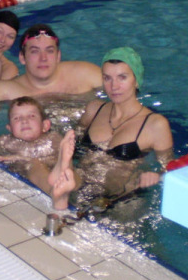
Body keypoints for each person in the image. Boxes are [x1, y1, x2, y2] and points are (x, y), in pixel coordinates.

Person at [48, 47, 174, 208]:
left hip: (122, 200)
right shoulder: (94, 109)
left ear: (136, 80)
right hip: (80, 188)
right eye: (107, 78)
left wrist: (156, 176)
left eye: (122, 77)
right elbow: (73, 147)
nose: (114, 86)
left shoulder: (155, 125)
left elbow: (170, 169)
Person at [0, 96, 68, 207]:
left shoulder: (53, 139)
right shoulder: (4, 141)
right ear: (10, 128)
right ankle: (57, 193)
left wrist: (18, 158)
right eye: (17, 118)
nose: (24, 121)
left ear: (45, 125)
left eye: (31, 116)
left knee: (38, 164)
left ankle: (55, 192)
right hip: (18, 178)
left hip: (49, 174)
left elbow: (57, 162)